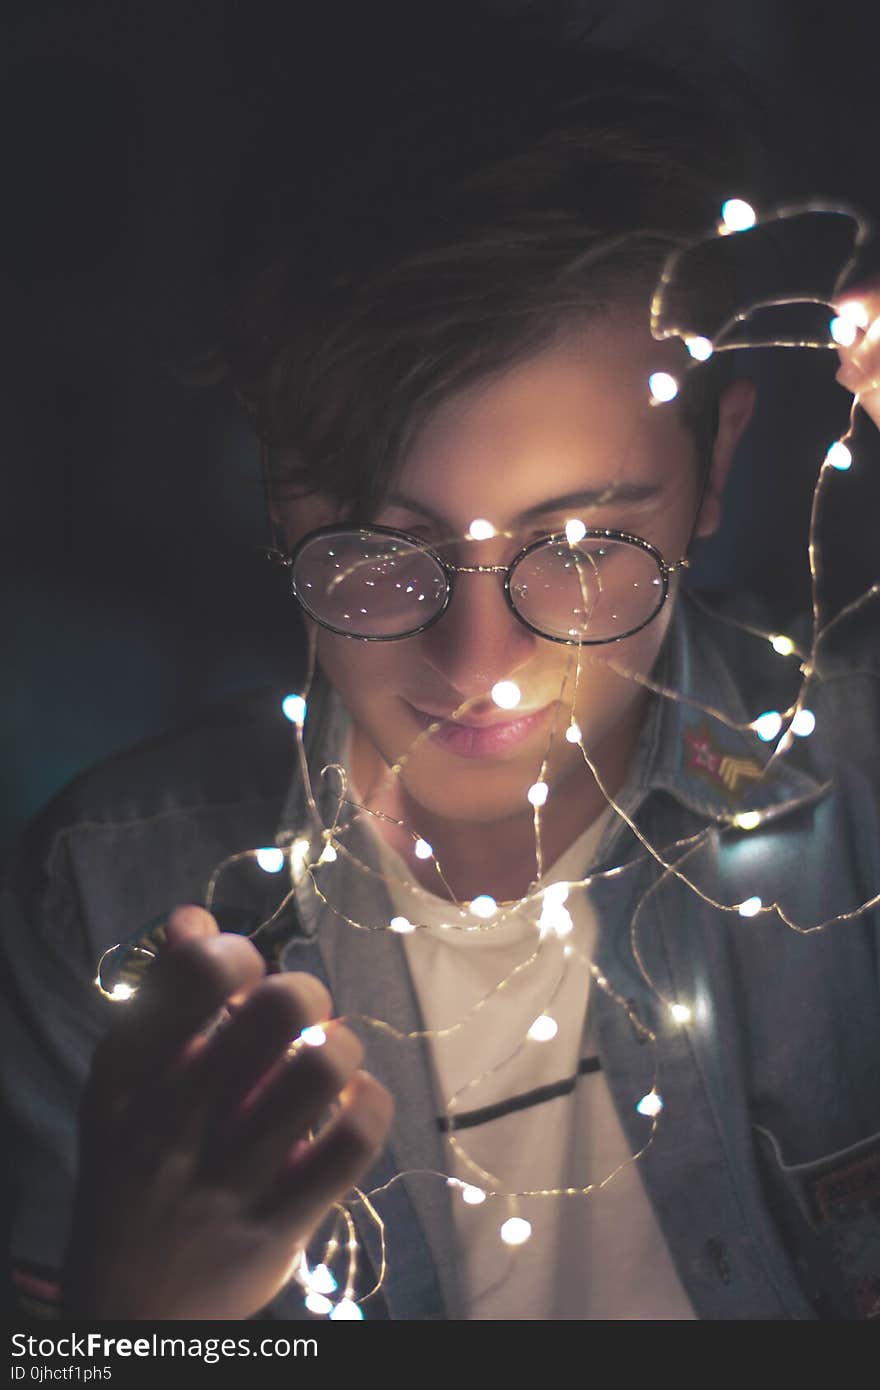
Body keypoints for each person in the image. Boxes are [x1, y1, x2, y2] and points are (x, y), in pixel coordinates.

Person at [3, 29, 880, 1322]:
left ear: (717, 470)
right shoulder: (116, 904)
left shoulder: (859, 789)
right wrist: (144, 1314)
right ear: (277, 489)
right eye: (383, 545)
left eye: (581, 543)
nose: (478, 664)